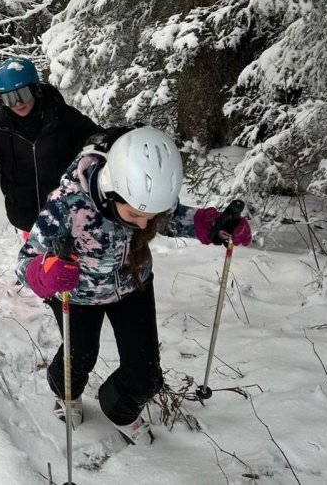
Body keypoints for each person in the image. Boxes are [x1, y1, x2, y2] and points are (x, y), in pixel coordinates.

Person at [15, 126, 252, 445]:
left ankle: (119, 409)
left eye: (149, 216)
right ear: (112, 190)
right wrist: (44, 272)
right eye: (135, 214)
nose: (143, 224)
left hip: (133, 285)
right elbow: (25, 260)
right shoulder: (67, 202)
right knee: (80, 356)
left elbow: (171, 217)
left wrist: (207, 225)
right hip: (77, 293)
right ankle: (65, 393)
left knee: (145, 375)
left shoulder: (144, 193)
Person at [0, 57, 100, 237]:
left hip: (65, 211)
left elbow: (96, 139)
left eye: (22, 94)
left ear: (35, 88)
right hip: (26, 214)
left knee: (63, 263)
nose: (17, 103)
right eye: (9, 97)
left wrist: (116, 138)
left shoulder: (62, 116)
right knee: (36, 262)